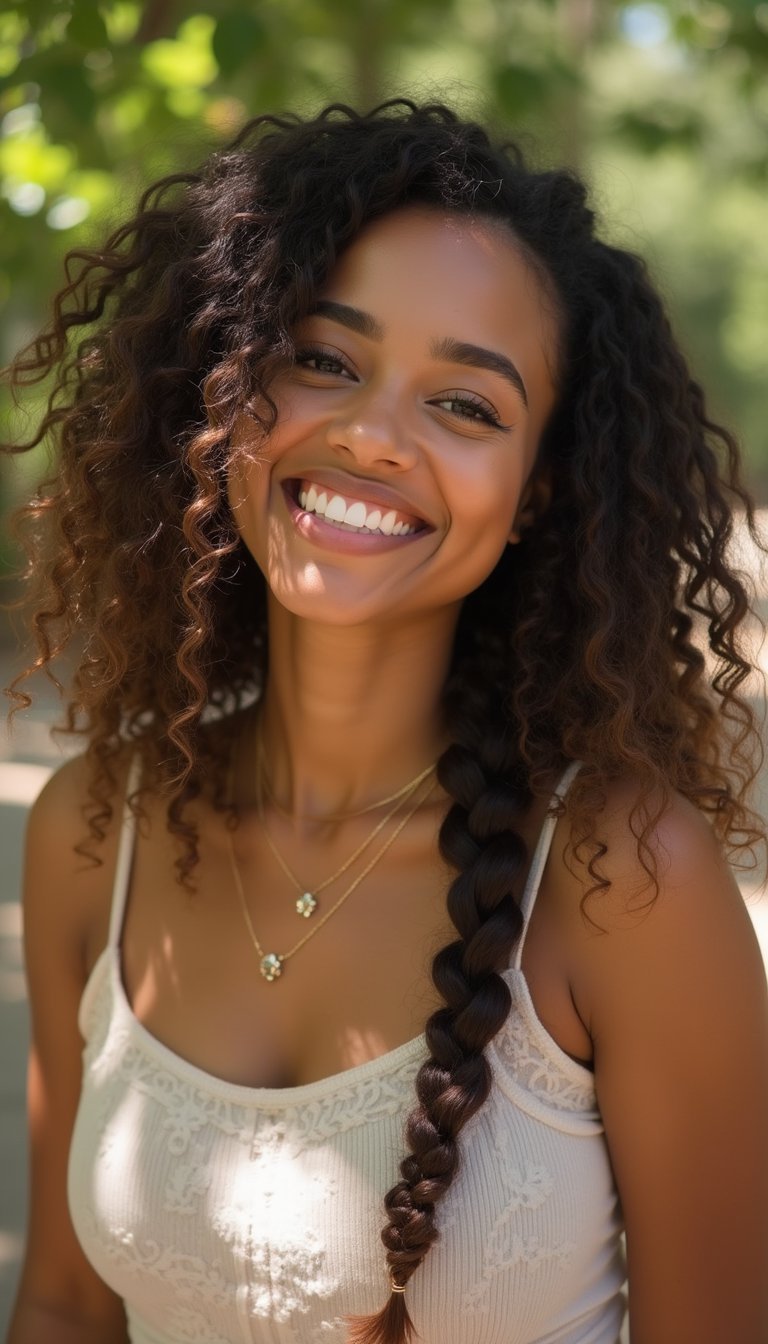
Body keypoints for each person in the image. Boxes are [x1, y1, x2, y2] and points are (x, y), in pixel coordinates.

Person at [3, 99, 768, 1344]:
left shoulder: (624, 881)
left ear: (537, 493)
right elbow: (60, 1305)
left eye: (466, 405)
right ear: (226, 387)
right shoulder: (96, 830)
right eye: (323, 359)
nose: (370, 435)